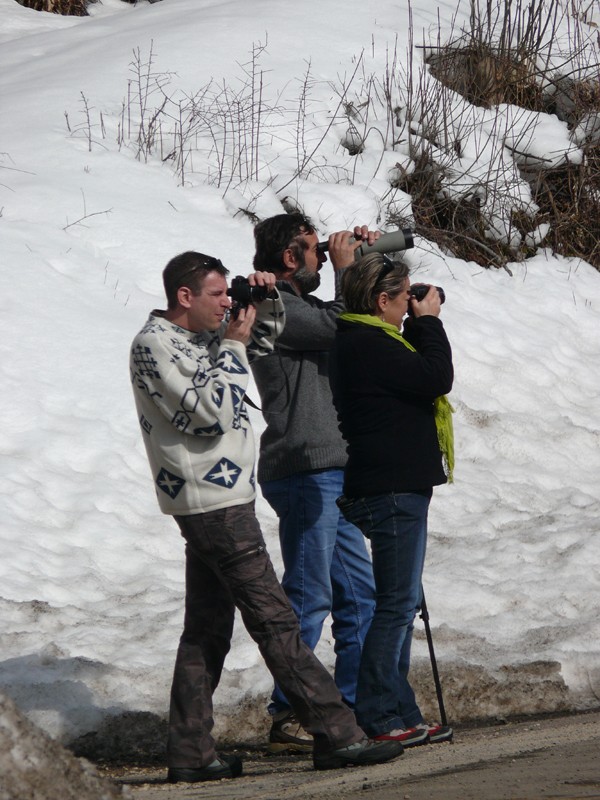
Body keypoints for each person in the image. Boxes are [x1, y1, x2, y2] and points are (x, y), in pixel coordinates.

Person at [129, 251, 403, 783]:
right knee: (275, 620)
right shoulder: (153, 346)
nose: (226, 304)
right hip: (213, 506)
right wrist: (231, 344)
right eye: (217, 296)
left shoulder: (198, 339)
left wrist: (268, 296)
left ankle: (191, 752)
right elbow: (207, 413)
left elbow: (262, 341)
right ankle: (336, 733)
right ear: (184, 297)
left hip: (223, 500)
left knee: (206, 630)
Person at [250, 214, 378, 753]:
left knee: (361, 598)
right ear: (288, 258)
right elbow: (338, 326)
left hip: (332, 469)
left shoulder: (312, 304)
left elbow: (367, 316)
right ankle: (291, 713)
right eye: (315, 250)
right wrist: (351, 271)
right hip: (303, 469)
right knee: (308, 597)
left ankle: (344, 708)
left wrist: (368, 264)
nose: (324, 256)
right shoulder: (269, 307)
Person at [329, 252, 455, 747]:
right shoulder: (366, 342)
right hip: (391, 490)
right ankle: (381, 718)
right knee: (395, 607)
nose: (409, 306)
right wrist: (430, 325)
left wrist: (418, 324)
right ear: (381, 300)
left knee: (399, 606)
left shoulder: (364, 339)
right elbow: (434, 377)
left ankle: (400, 712)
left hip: (393, 486)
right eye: (403, 298)